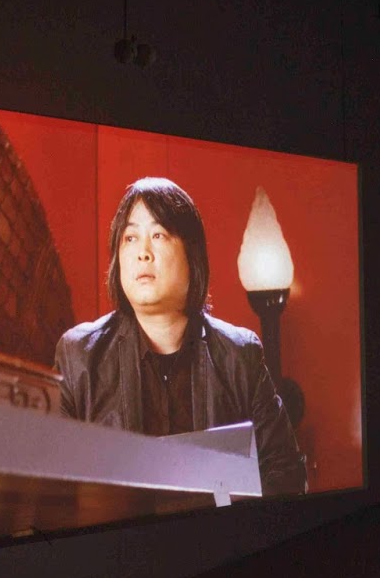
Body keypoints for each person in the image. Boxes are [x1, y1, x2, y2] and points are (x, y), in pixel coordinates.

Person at [54, 177, 307, 497]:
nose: (142, 253)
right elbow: (54, 488)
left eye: (158, 235)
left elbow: (285, 474)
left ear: (192, 254)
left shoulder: (239, 355)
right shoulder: (79, 357)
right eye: (130, 238)